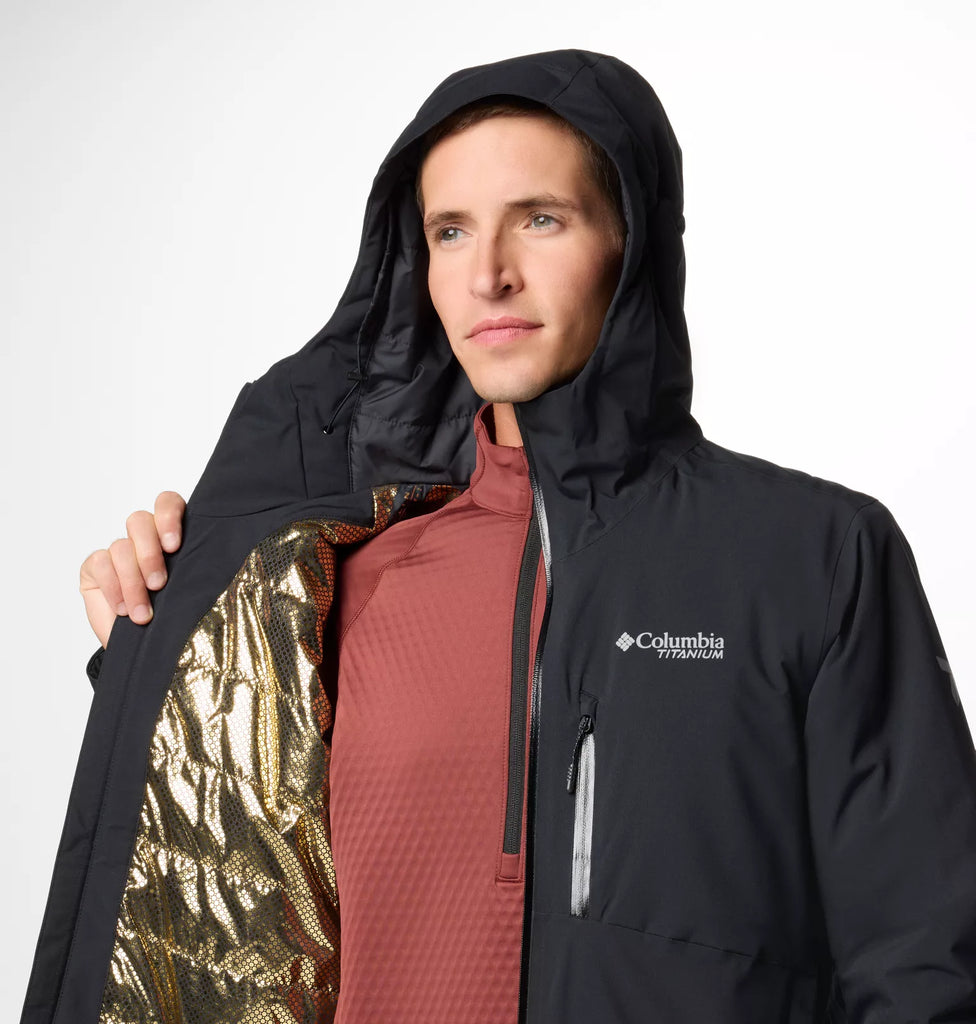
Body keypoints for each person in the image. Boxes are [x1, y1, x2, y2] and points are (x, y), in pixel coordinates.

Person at [22, 48, 976, 1024]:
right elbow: (218, 909)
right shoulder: (329, 584)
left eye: (541, 218)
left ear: (633, 239)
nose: (489, 275)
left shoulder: (812, 558)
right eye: (450, 231)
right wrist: (164, 653)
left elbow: (924, 964)